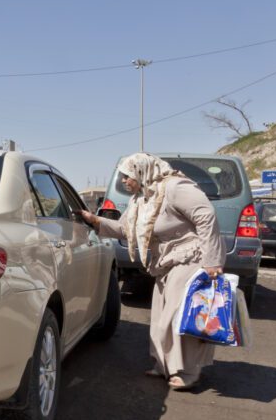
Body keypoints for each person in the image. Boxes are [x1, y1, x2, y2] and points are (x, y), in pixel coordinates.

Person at [80, 153, 225, 390]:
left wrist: (212, 260)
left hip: (189, 257)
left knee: (178, 316)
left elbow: (206, 217)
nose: (124, 181)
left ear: (142, 171)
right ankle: (165, 365)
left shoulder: (175, 187)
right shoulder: (141, 200)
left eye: (127, 176)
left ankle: (188, 371)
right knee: (159, 318)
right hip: (164, 263)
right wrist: (95, 221)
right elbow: (125, 229)